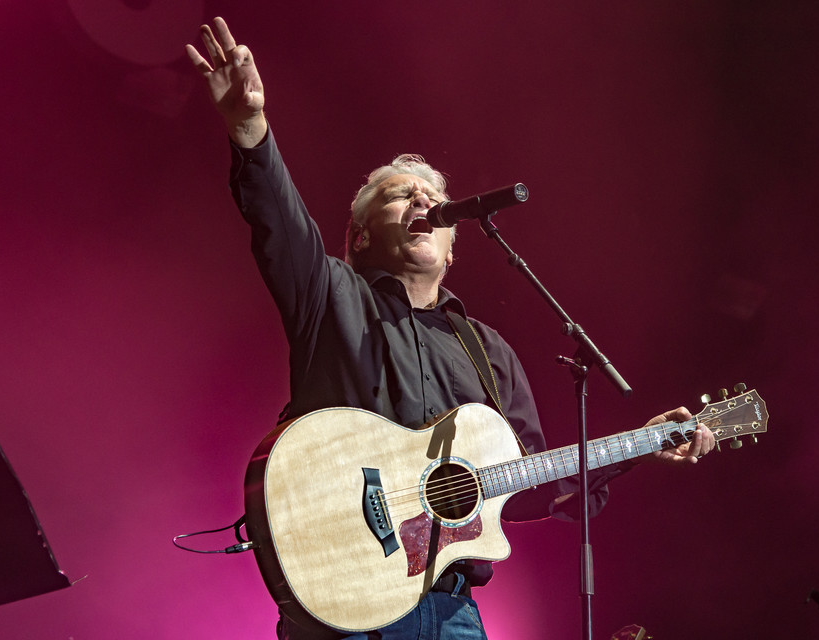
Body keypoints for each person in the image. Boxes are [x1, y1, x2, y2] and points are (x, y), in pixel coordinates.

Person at [186, 17, 715, 640]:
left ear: (452, 246)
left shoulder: (488, 351)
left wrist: (639, 448)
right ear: (361, 236)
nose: (420, 202)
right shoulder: (331, 297)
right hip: (344, 602)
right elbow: (280, 226)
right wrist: (250, 129)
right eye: (398, 196)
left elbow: (527, 485)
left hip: (452, 612)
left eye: (429, 197)